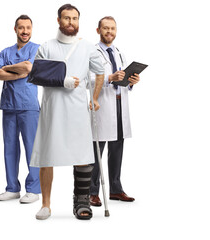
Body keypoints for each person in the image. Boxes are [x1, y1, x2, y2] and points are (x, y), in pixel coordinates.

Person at [29, 4, 104, 220]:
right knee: (46, 156)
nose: (71, 22)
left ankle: (81, 201)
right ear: (58, 20)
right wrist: (63, 81)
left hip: (78, 110)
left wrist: (95, 98)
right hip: (53, 111)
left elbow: (99, 73)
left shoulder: (88, 47)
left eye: (74, 18)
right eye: (66, 18)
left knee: (81, 155)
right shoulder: (46, 46)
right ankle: (45, 204)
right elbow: (37, 76)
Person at [89, 16, 140, 207]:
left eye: (112, 28)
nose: (109, 32)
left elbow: (123, 79)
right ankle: (91, 191)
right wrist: (109, 78)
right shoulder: (91, 53)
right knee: (97, 150)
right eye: (105, 28)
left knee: (117, 148)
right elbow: (88, 80)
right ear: (98, 30)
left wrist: (131, 81)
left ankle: (116, 189)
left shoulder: (118, 52)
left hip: (119, 105)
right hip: (102, 107)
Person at [0, 15, 41, 203]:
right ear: (15, 29)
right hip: (9, 105)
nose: (25, 31)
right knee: (10, 148)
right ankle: (12, 188)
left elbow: (28, 67)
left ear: (31, 29)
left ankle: (33, 189)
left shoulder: (37, 49)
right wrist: (17, 73)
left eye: (28, 27)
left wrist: (7, 70)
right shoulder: (5, 51)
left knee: (32, 148)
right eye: (21, 28)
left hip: (29, 106)